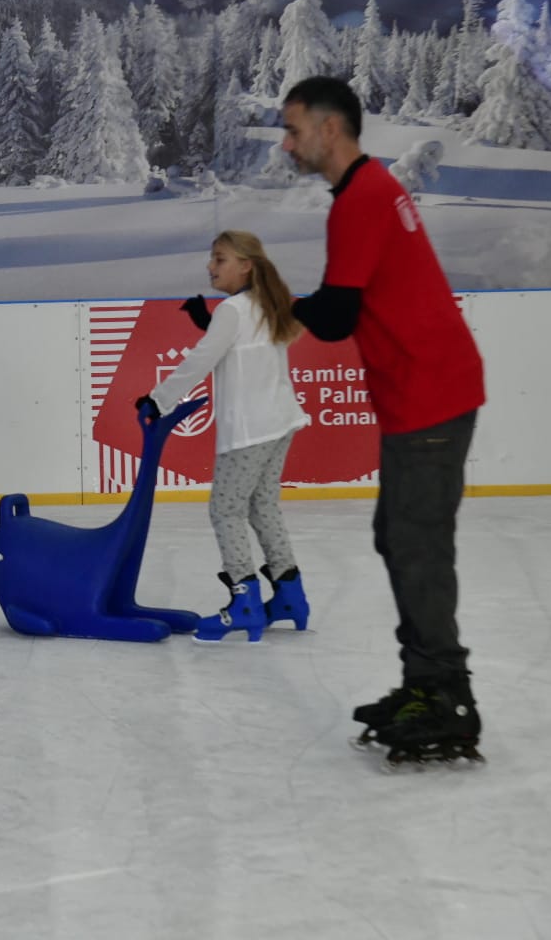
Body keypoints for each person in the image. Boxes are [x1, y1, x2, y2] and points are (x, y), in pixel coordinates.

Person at [281, 76, 486, 765]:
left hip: (429, 397)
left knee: (417, 544)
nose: (288, 143)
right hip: (424, 394)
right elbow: (348, 303)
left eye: (294, 129)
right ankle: (425, 683)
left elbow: (337, 317)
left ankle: (448, 698)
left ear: (329, 130)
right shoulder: (368, 191)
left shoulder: (362, 199)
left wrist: (270, 301)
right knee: (398, 537)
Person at [136, 231, 311, 644]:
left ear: (246, 264)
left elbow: (200, 361)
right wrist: (209, 323)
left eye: (220, 259)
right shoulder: (264, 304)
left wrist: (157, 400)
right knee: (262, 506)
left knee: (225, 510)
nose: (211, 267)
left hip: (251, 430)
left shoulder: (233, 310)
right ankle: (289, 595)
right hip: (280, 422)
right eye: (211, 259)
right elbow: (242, 346)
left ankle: (244, 603)